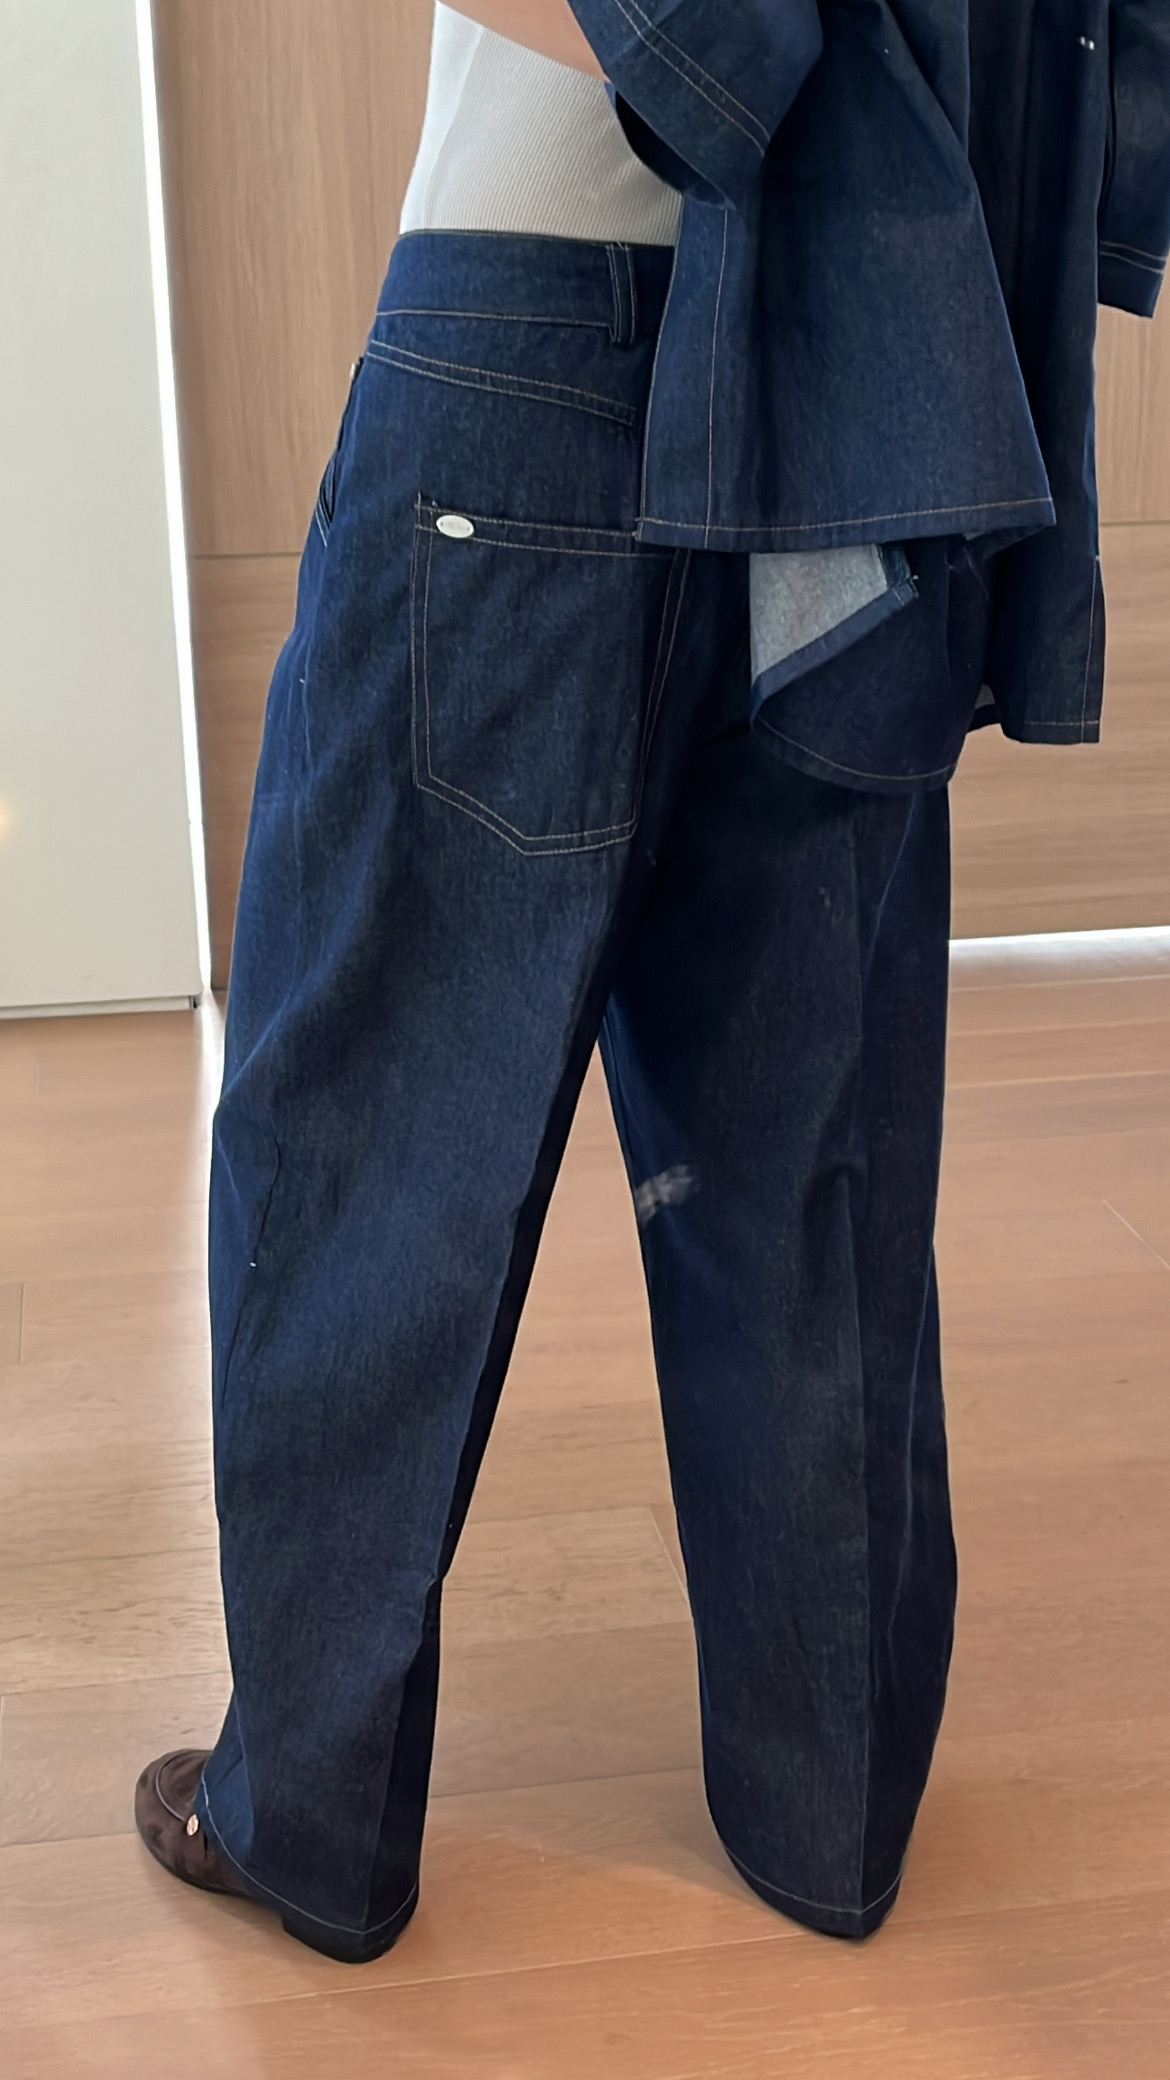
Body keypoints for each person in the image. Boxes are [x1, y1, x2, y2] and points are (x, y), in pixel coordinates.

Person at [134, 0, 1170, 1963]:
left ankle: (310, 1820)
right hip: (871, 377)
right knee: (807, 1166)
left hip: (527, 339)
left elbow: (660, 44)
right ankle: (824, 1814)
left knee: (364, 1137)